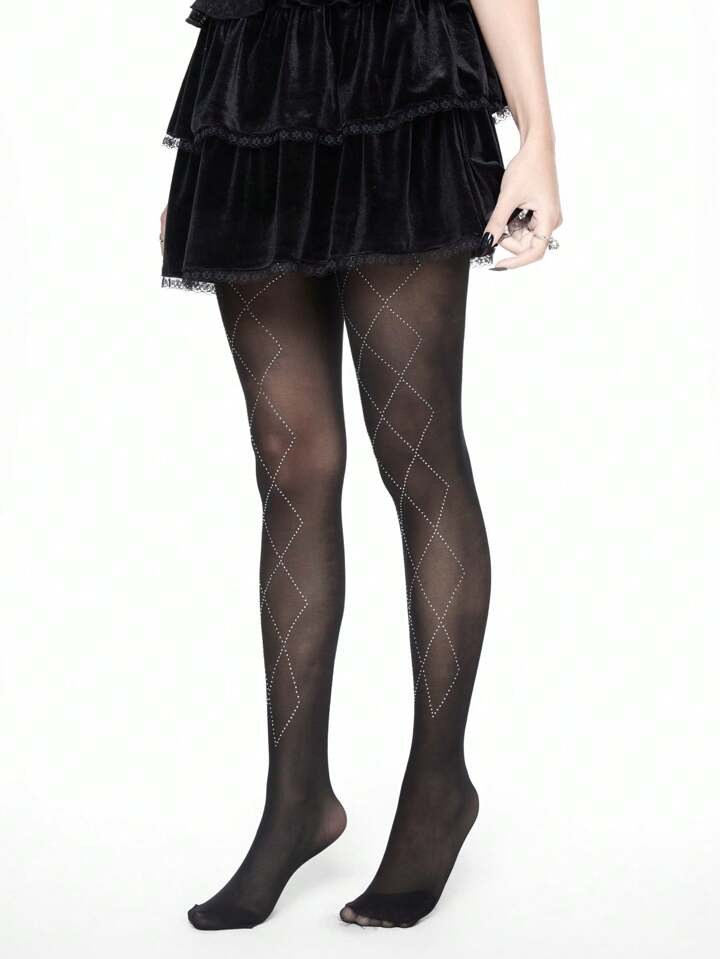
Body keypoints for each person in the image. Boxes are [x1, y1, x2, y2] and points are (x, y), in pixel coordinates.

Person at [160, 0, 561, 930]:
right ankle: (296, 800)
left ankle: (438, 789)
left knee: (417, 451)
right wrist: (213, 139)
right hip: (256, 80)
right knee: (289, 463)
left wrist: (537, 135)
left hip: (399, 68)